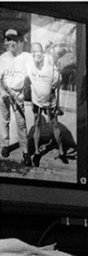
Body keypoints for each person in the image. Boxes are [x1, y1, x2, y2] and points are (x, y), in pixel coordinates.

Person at [25, 42, 67, 167]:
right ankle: (37, 153)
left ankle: (61, 152)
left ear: (42, 52)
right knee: (37, 125)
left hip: (50, 102)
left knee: (55, 125)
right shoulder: (28, 64)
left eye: (39, 51)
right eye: (33, 52)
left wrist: (55, 84)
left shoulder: (49, 61)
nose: (36, 54)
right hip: (36, 101)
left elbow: (59, 80)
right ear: (31, 53)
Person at [0, 28, 31, 165]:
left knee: (21, 124)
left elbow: (29, 78)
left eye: (14, 39)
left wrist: (24, 92)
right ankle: (5, 145)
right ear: (5, 42)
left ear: (18, 41)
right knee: (4, 120)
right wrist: (3, 92)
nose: (11, 42)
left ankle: (25, 151)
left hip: (18, 96)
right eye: (8, 40)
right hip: (4, 94)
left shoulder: (25, 57)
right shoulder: (2, 58)